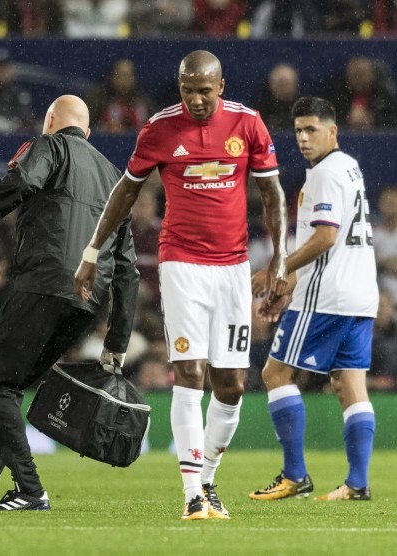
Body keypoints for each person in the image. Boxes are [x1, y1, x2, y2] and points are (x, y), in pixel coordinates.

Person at [74, 50, 288, 520]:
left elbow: (272, 194)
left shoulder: (249, 125)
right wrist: (92, 251)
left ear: (222, 86)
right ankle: (193, 492)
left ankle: (208, 479)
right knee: (189, 374)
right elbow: (125, 191)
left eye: (204, 91)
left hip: (232, 269)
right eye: (187, 90)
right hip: (181, 265)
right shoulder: (159, 128)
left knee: (232, 383)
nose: (194, 99)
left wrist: (280, 261)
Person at [0, 95, 139, 510]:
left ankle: (30, 489)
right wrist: (117, 340)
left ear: (49, 120)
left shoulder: (50, 145)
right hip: (88, 303)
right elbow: (128, 267)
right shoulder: (114, 175)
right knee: (10, 385)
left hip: (45, 283)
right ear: (88, 133)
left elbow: (20, 182)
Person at [248, 97, 378, 502]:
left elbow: (325, 237)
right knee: (349, 385)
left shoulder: (323, 174)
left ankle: (294, 475)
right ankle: (357, 483)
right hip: (360, 295)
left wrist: (279, 270)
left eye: (312, 130)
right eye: (299, 131)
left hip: (327, 297)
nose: (303, 138)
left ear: (332, 130)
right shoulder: (350, 167)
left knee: (275, 374)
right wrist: (288, 282)